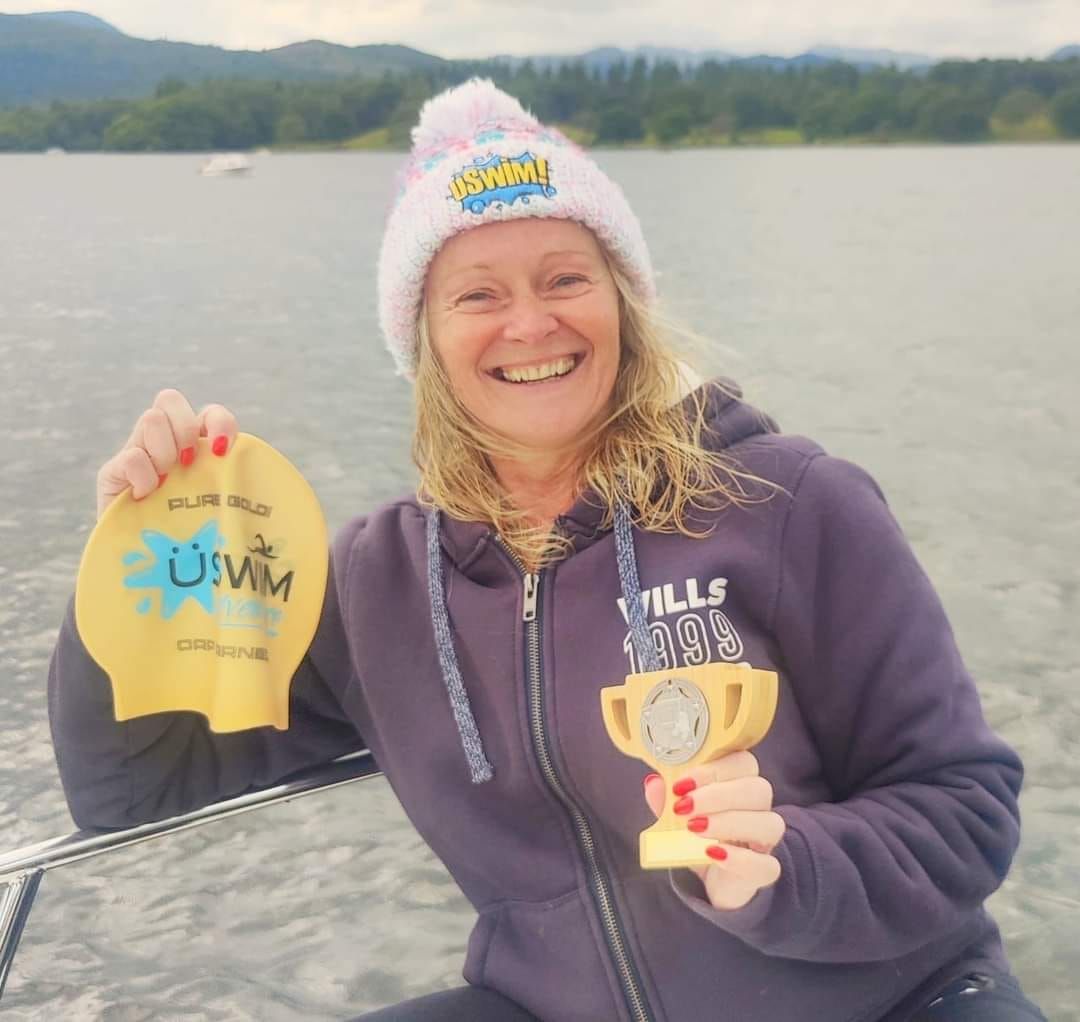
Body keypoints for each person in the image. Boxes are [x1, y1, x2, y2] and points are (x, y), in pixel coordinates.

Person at [47, 79, 1047, 1022]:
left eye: (566, 278)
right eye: (477, 295)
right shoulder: (372, 585)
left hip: (897, 999)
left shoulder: (786, 502)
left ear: (623, 302)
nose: (530, 324)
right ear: (422, 339)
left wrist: (787, 864)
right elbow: (135, 789)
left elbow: (962, 804)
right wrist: (139, 565)